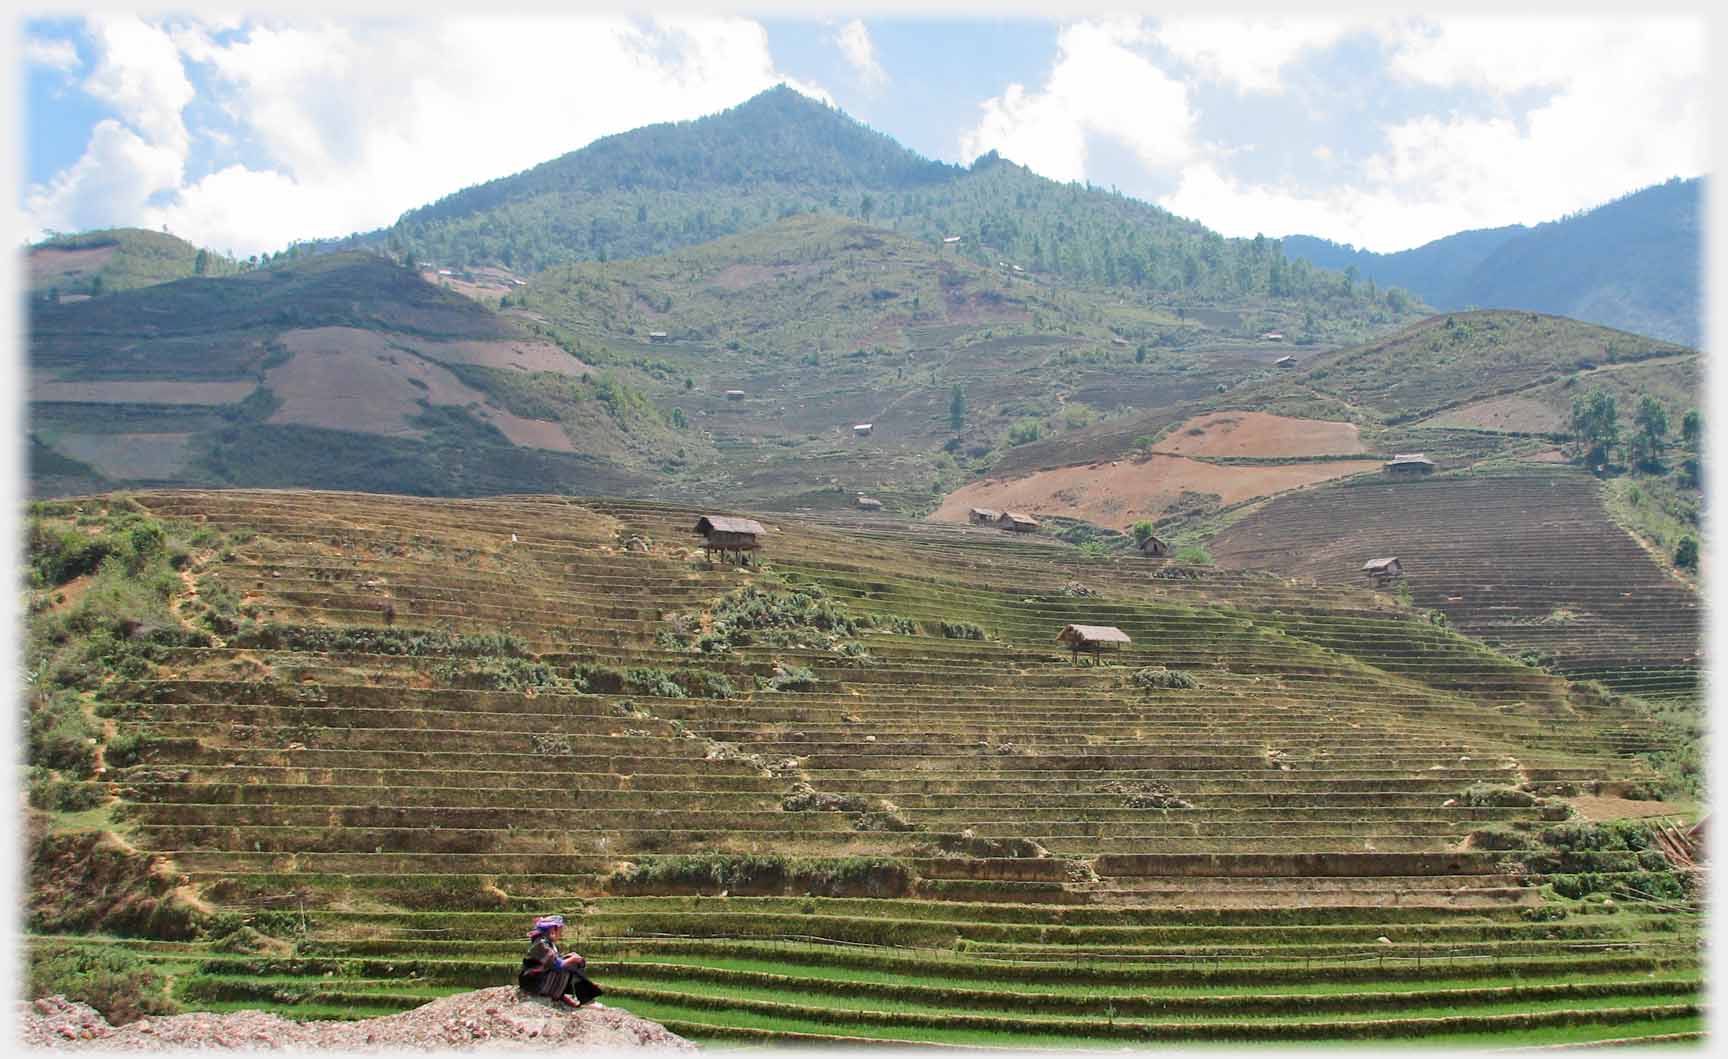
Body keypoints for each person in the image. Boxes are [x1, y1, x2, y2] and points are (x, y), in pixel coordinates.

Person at [519, 914, 604, 1009]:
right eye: (560, 930)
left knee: (573, 963)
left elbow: (553, 961)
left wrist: (570, 957)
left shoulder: (546, 943)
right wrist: (573, 959)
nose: (561, 933)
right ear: (552, 930)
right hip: (534, 983)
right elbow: (557, 965)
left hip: (537, 979)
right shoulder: (540, 944)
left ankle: (566, 996)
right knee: (572, 966)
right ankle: (586, 1000)